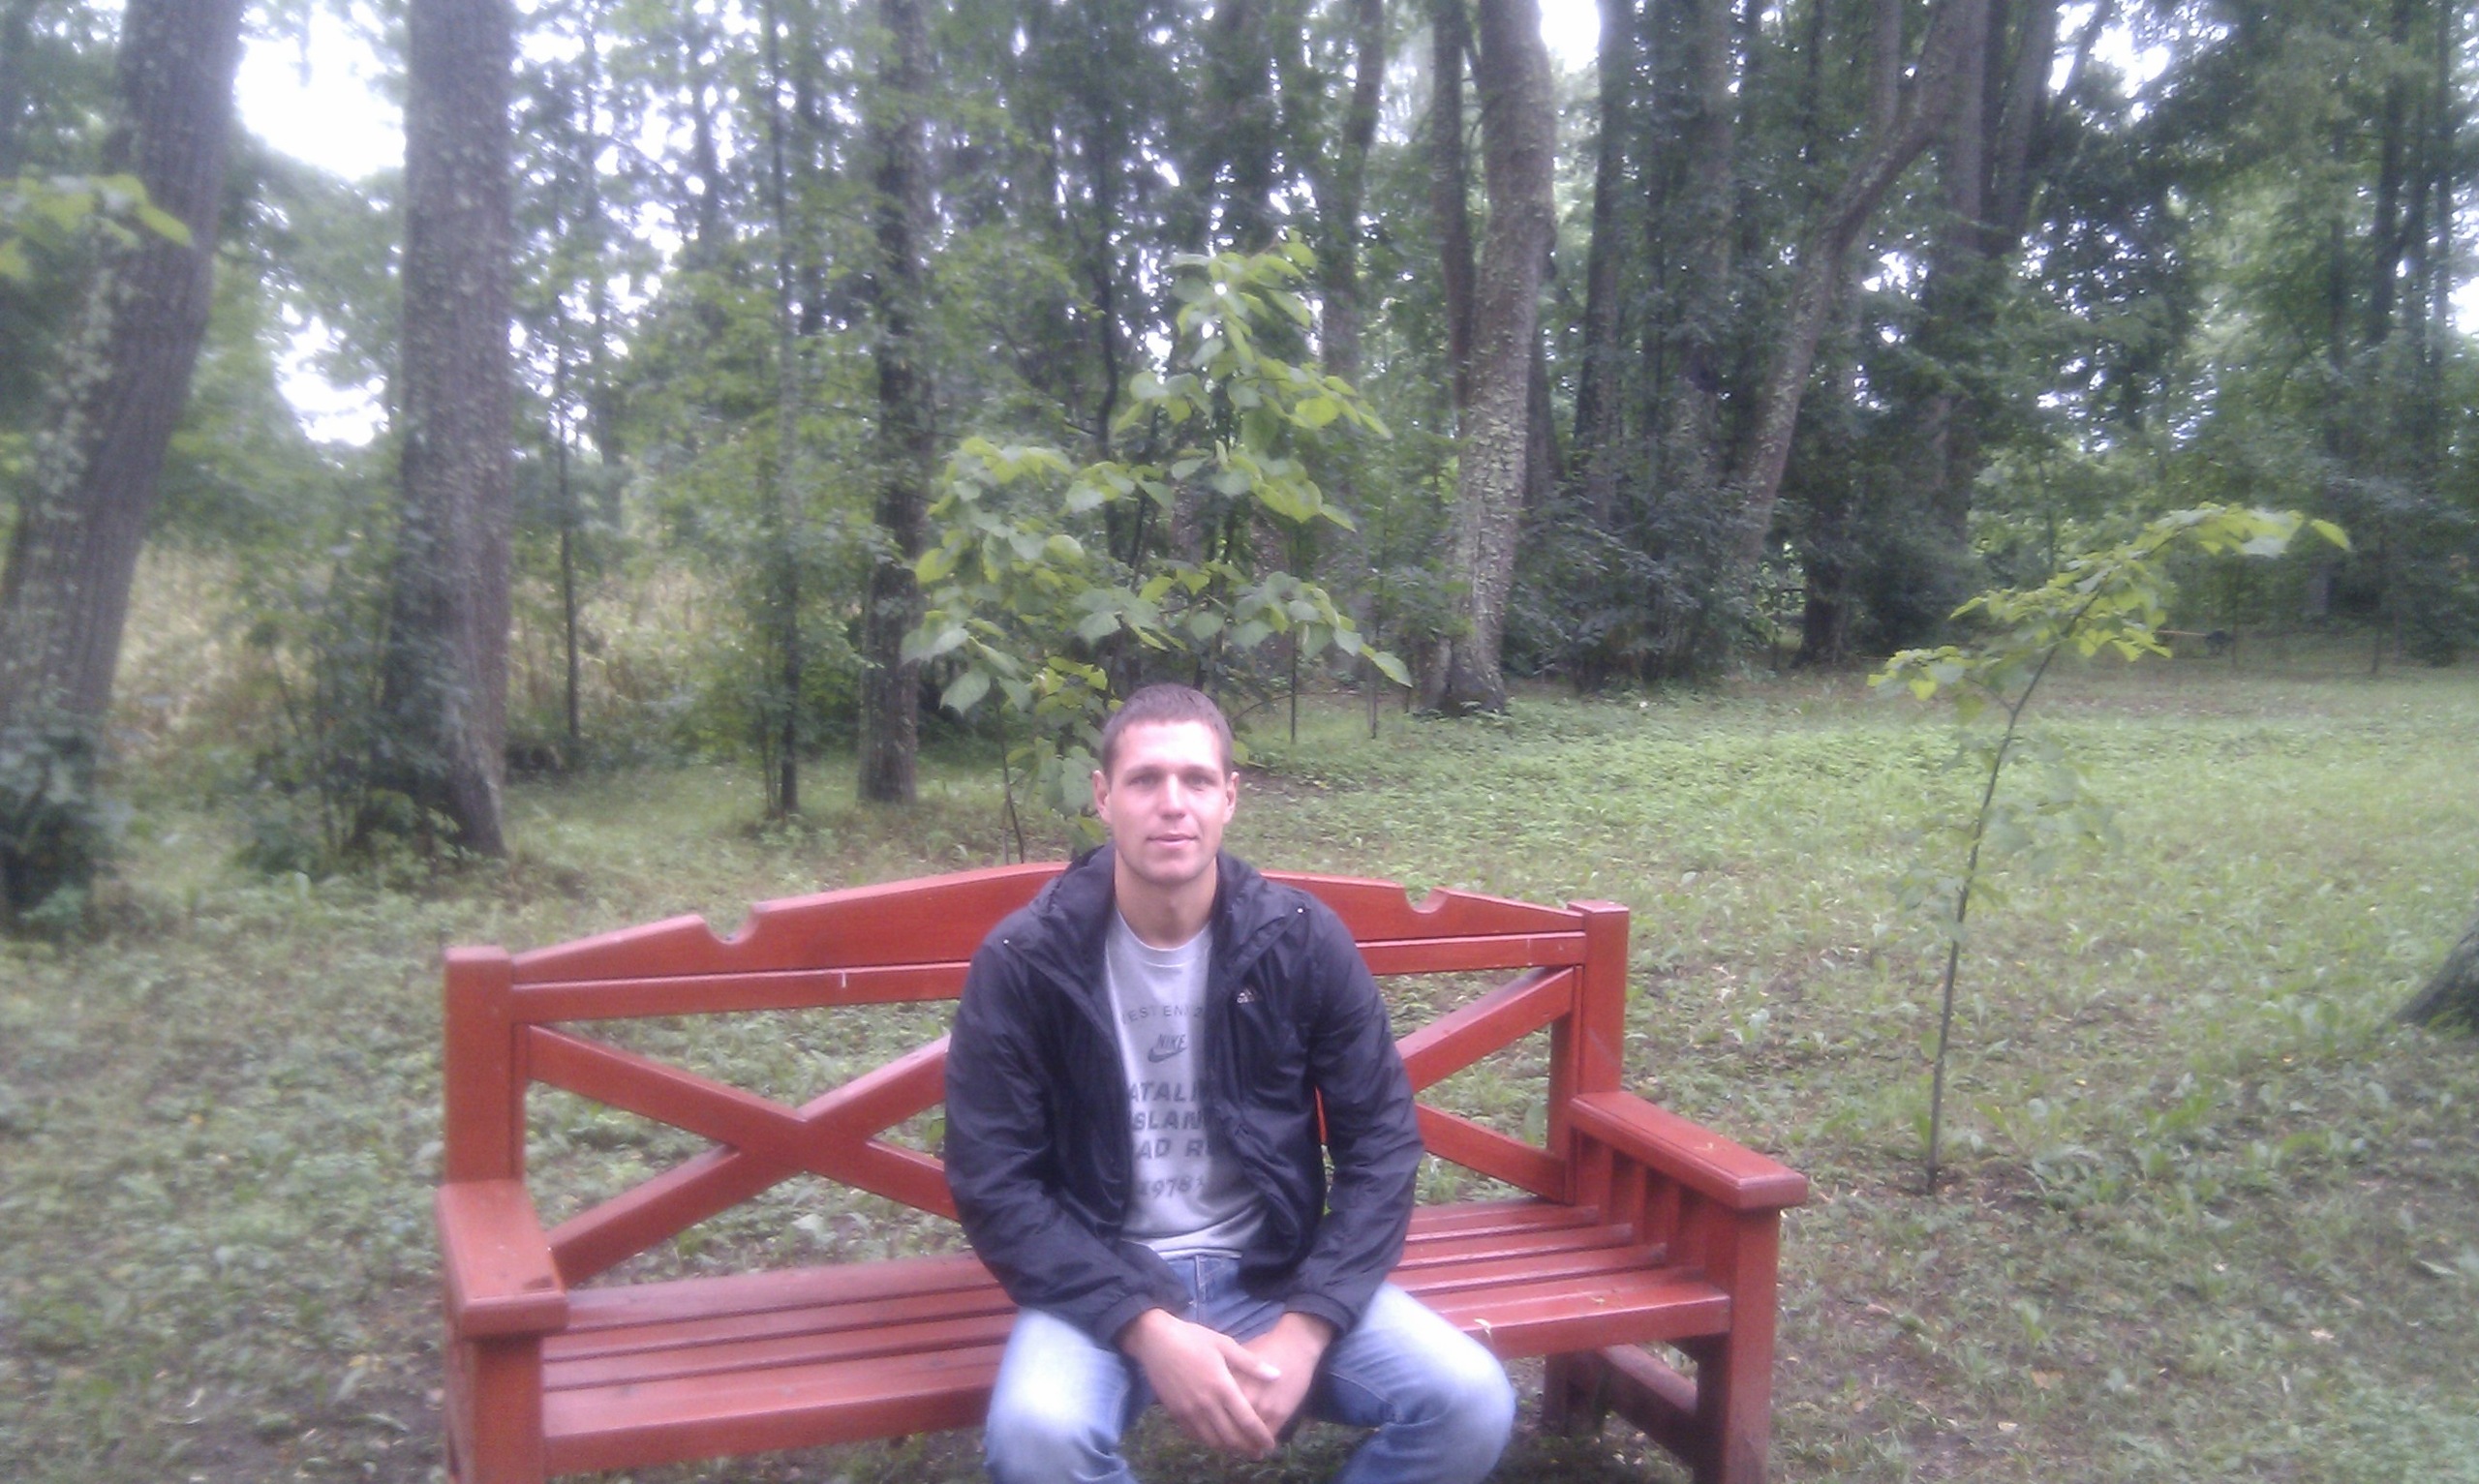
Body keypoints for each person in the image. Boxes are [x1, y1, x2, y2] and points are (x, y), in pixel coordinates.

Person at [945, 683, 1516, 1484]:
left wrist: (1307, 1326)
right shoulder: (1026, 960)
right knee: (1038, 1437)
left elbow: (1382, 1145)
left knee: (1471, 1400)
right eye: (1145, 779)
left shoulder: (1300, 940)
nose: (1172, 803)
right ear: (1103, 796)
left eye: (1196, 779)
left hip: (1272, 1268)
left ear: (1230, 797)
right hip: (1105, 1272)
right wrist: (1144, 1326)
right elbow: (994, 1180)